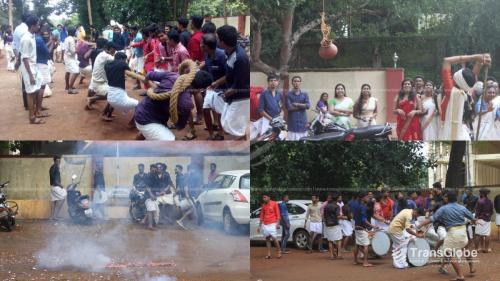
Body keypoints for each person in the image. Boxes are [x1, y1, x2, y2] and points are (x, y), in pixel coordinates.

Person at [134, 65, 213, 140]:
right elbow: (178, 123)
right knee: (171, 142)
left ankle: (135, 144)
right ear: (199, 89)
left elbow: (149, 74)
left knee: (145, 132)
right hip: (146, 119)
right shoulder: (186, 103)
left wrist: (150, 86)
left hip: (142, 110)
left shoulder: (172, 75)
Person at [418, 190, 477, 281]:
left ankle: (460, 275)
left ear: (447, 198)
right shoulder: (461, 207)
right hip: (463, 231)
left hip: (453, 232)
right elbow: (472, 217)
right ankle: (471, 268)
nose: (444, 198)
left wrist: (420, 225)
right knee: (465, 249)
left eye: (445, 196)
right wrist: (475, 221)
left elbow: (432, 219)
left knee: (448, 252)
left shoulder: (443, 209)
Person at [440, 53, 491, 140]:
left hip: (448, 132)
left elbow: (446, 61)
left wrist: (474, 57)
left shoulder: (451, 91)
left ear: (457, 76)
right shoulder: (466, 91)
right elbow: (472, 77)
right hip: (463, 133)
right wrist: (479, 61)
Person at [217, 25, 250, 139]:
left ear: (222, 42)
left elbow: (241, 83)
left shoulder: (240, 58)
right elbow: (230, 75)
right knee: (227, 123)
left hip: (241, 97)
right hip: (233, 95)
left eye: (218, 38)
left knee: (232, 126)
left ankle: (239, 153)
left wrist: (226, 93)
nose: (217, 41)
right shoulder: (228, 51)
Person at [201, 33, 227, 140]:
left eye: (201, 44)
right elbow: (207, 67)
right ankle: (211, 135)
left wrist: (217, 83)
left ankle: (221, 133)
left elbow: (229, 75)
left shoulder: (222, 56)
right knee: (205, 110)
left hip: (222, 88)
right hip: (210, 87)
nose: (200, 45)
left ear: (206, 46)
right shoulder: (207, 54)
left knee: (219, 111)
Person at [20, 16, 45, 124]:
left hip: (34, 67)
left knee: (36, 89)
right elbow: (24, 57)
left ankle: (34, 112)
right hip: (28, 68)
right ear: (32, 26)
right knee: (30, 92)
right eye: (37, 25)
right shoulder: (26, 38)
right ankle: (32, 117)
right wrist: (30, 74)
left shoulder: (32, 36)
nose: (39, 26)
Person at [103, 52, 139, 124]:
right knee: (139, 105)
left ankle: (108, 114)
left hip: (110, 97)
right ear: (122, 59)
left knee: (115, 96)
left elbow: (115, 71)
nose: (125, 61)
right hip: (118, 99)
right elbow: (131, 74)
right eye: (125, 60)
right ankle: (132, 123)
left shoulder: (107, 65)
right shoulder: (122, 63)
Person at [86, 41, 116, 112]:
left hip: (95, 79)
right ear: (107, 49)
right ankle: (90, 99)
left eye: (115, 49)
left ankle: (90, 100)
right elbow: (118, 61)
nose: (114, 51)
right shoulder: (106, 56)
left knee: (92, 90)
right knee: (113, 95)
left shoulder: (101, 54)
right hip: (99, 82)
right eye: (113, 49)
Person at [351, 192, 376, 267]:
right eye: (367, 197)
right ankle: (365, 262)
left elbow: (352, 215)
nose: (368, 199)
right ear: (363, 198)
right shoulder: (362, 207)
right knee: (366, 244)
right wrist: (372, 226)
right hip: (362, 228)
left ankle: (355, 260)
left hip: (356, 226)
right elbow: (364, 220)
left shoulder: (355, 204)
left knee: (357, 244)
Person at [35, 28, 54, 118]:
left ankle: (39, 107)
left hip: (38, 63)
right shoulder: (40, 40)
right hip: (41, 64)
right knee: (41, 87)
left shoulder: (37, 38)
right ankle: (38, 110)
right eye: (45, 34)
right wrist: (52, 43)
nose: (47, 36)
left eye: (48, 34)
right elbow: (48, 52)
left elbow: (44, 47)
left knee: (39, 87)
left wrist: (50, 42)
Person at [13, 14, 30, 110]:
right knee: (30, 79)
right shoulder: (27, 29)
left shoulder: (17, 29)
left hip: (20, 57)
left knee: (24, 80)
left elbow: (15, 46)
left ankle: (26, 103)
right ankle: (31, 104)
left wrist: (18, 59)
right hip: (27, 57)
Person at [286, 76, 310, 140]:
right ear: (292, 83)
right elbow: (289, 108)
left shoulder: (305, 94)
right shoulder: (288, 94)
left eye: (298, 81)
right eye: (295, 81)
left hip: (303, 122)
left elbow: (308, 106)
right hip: (292, 123)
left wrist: (297, 104)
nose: (296, 83)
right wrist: (303, 106)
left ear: (300, 82)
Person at [258, 194, 281, 259]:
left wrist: (278, 223)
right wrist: (259, 226)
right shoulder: (263, 205)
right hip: (265, 224)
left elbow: (278, 214)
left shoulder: (274, 204)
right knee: (267, 239)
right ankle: (269, 254)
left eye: (265, 197)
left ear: (269, 197)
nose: (263, 199)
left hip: (272, 224)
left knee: (274, 238)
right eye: (263, 197)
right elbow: (261, 216)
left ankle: (279, 251)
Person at [324, 193, 346, 260]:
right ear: (336, 199)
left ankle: (331, 255)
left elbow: (324, 216)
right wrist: (344, 217)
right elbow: (338, 216)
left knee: (330, 241)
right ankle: (339, 254)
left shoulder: (326, 206)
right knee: (339, 239)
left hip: (328, 224)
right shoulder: (336, 206)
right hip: (335, 224)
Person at [175, 164, 198, 230]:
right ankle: (181, 221)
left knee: (191, 209)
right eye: (193, 169)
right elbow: (185, 186)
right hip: (186, 197)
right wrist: (186, 194)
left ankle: (183, 222)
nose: (194, 171)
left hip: (187, 196)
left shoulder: (187, 176)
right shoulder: (186, 176)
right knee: (192, 209)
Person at [475, 188, 493, 253]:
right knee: (487, 234)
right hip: (488, 220)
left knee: (477, 235)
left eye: (479, 193)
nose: (479, 194)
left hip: (480, 219)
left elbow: (477, 211)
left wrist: (476, 218)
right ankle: (486, 249)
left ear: (482, 194)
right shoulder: (490, 201)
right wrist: (488, 216)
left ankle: (477, 249)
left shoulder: (480, 201)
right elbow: (491, 211)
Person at [63, 27, 80, 94]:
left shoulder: (67, 38)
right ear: (74, 32)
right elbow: (73, 51)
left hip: (67, 56)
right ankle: (70, 89)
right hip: (70, 57)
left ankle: (67, 86)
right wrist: (77, 50)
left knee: (68, 71)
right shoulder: (71, 39)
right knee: (76, 71)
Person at [49, 156, 66, 220]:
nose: (59, 162)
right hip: (56, 186)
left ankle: (52, 217)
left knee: (54, 201)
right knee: (63, 197)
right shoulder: (55, 167)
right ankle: (56, 215)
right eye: (57, 161)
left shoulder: (52, 167)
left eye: (59, 161)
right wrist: (60, 185)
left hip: (52, 187)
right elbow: (55, 179)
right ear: (55, 161)